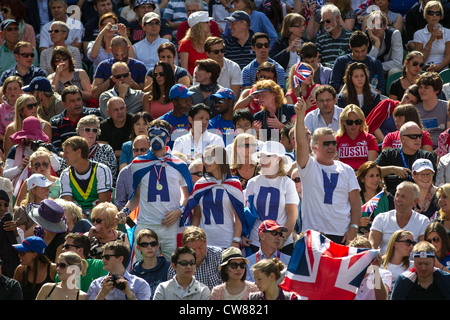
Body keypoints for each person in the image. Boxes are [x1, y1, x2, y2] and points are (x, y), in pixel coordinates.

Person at [117, 119, 192, 261]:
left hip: (171, 226)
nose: (156, 139)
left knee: (174, 268)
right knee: (144, 268)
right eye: (153, 135)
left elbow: (188, 196)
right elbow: (136, 196)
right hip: (146, 225)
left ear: (168, 138)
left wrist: (179, 211)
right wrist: (125, 211)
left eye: (160, 135)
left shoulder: (179, 164)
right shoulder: (138, 164)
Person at [294, 97, 361, 244]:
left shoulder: (347, 169)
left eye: (333, 143)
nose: (331, 147)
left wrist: (354, 227)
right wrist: (300, 116)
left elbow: (356, 202)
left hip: (342, 234)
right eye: (326, 144)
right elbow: (300, 143)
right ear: (315, 147)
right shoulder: (309, 166)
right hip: (314, 234)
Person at [244, 141, 298, 254]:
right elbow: (246, 213)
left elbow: (292, 216)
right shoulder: (252, 183)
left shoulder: (287, 183)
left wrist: (282, 238)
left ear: (278, 159)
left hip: (281, 243)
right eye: (261, 156)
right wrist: (242, 235)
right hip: (257, 242)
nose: (262, 160)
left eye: (267, 156)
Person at [187, 145, 244, 249]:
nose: (205, 162)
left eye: (209, 158)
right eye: (204, 159)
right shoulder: (201, 184)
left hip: (227, 242)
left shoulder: (234, 184)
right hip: (204, 243)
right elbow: (197, 215)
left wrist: (236, 240)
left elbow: (239, 216)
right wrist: (191, 236)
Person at [375, 121, 436, 196]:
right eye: (413, 136)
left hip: (420, 198)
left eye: (420, 136)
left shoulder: (426, 156)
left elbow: (433, 181)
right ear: (403, 138)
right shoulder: (388, 155)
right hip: (394, 199)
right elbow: (370, 172)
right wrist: (392, 170)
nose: (418, 139)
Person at [369, 181, 431, 255]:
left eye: (403, 196)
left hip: (412, 265)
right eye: (397, 195)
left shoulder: (423, 221)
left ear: (415, 201)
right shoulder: (381, 218)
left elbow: (423, 250)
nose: (398, 199)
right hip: (384, 264)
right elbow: (372, 248)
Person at [60, 136, 113, 213]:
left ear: (78, 152)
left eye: (67, 152)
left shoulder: (101, 170)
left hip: (99, 215)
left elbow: (104, 204)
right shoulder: (65, 174)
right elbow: (68, 206)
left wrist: (87, 215)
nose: (63, 156)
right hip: (76, 217)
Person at [87, 240, 152, 300]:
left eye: (107, 257)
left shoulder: (140, 284)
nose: (103, 261)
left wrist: (129, 293)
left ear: (120, 259)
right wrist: (102, 293)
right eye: (102, 257)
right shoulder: (96, 284)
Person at [166, 226, 222, 291]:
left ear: (206, 242)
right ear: (184, 247)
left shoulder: (218, 256)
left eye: (200, 247)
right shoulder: (176, 266)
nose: (197, 253)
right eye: (193, 249)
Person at [50, 85, 103, 155]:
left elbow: (102, 140)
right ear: (64, 104)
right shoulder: (55, 122)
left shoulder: (94, 114)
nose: (77, 104)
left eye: (79, 99)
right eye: (72, 101)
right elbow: (57, 148)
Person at [91, 35, 147, 100]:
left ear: (128, 49)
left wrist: (131, 83)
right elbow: (95, 95)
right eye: (116, 55)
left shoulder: (139, 67)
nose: (120, 57)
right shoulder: (103, 66)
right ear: (111, 50)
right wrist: (111, 80)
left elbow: (144, 95)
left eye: (123, 54)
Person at [330, 30, 385, 94]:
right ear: (350, 47)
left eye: (363, 50)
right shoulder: (341, 62)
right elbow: (333, 85)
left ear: (368, 45)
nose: (360, 55)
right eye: (357, 51)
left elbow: (381, 89)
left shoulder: (376, 63)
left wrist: (373, 92)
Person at [12, 236, 57, 300]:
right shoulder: (20, 270)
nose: (18, 255)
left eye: (22, 253)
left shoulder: (53, 269)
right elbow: (13, 293)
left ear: (34, 255)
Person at [130, 228, 170, 299]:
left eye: (153, 244)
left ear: (157, 246)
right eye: (144, 244)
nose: (149, 247)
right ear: (138, 248)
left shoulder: (169, 268)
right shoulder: (133, 274)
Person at [335, 104, 378, 170]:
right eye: (350, 122)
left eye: (357, 122)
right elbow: (335, 164)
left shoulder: (370, 139)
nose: (354, 125)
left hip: (363, 176)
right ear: (343, 122)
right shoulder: (336, 140)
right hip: (343, 175)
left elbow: (371, 166)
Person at [356, 161, 394, 234]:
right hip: (359, 237)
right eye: (371, 176)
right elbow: (344, 220)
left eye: (377, 175)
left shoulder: (387, 197)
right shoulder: (355, 197)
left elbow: (393, 221)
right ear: (362, 179)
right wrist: (358, 223)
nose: (376, 179)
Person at [412, 0, 450, 73]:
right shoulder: (418, 34)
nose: (434, 16)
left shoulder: (448, 32)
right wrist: (431, 40)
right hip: (424, 69)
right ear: (425, 15)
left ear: (441, 16)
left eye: (437, 13)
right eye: (431, 13)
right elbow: (419, 59)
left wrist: (437, 68)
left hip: (442, 70)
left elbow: (448, 56)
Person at [349, 236, 391, 300]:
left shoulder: (384, 274)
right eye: (358, 254)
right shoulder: (344, 274)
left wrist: (375, 269)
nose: (361, 258)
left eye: (365, 254)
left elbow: (382, 298)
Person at [415, 71, 450, 148]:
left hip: (442, 148)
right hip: (421, 148)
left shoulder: (447, 107)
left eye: (426, 87)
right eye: (420, 87)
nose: (422, 90)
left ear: (437, 90)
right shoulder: (414, 110)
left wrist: (437, 152)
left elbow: (448, 135)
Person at [313, 4, 354, 69]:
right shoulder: (320, 40)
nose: (325, 24)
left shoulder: (351, 37)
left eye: (328, 21)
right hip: (327, 76)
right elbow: (317, 65)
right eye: (323, 22)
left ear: (337, 18)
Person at [114, 135, 149, 210]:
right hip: (133, 216)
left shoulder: (159, 168)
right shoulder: (125, 172)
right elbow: (119, 202)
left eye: (143, 149)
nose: (139, 153)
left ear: (151, 150)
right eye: (135, 150)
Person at [364, 10, 403, 77]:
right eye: (372, 26)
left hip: (388, 70)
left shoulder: (394, 34)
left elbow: (397, 63)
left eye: (378, 25)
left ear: (385, 26)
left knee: (395, 71)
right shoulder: (365, 36)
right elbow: (366, 65)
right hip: (370, 73)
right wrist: (376, 43)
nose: (376, 29)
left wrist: (376, 66)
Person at [97, 96, 134, 160]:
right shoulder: (103, 126)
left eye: (122, 108)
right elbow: (103, 151)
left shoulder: (134, 122)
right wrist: (125, 153)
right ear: (109, 113)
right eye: (116, 110)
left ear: (125, 108)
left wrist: (116, 152)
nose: (120, 112)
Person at [178, 11, 210, 77]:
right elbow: (184, 69)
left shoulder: (210, 42)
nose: (210, 24)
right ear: (199, 26)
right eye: (206, 22)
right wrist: (194, 83)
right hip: (191, 82)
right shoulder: (185, 43)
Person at [0, 76, 23, 145]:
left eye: (15, 89)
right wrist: (8, 140)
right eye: (9, 89)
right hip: (5, 142)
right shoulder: (1, 109)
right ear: (5, 92)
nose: (12, 92)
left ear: (20, 91)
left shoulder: (26, 106)